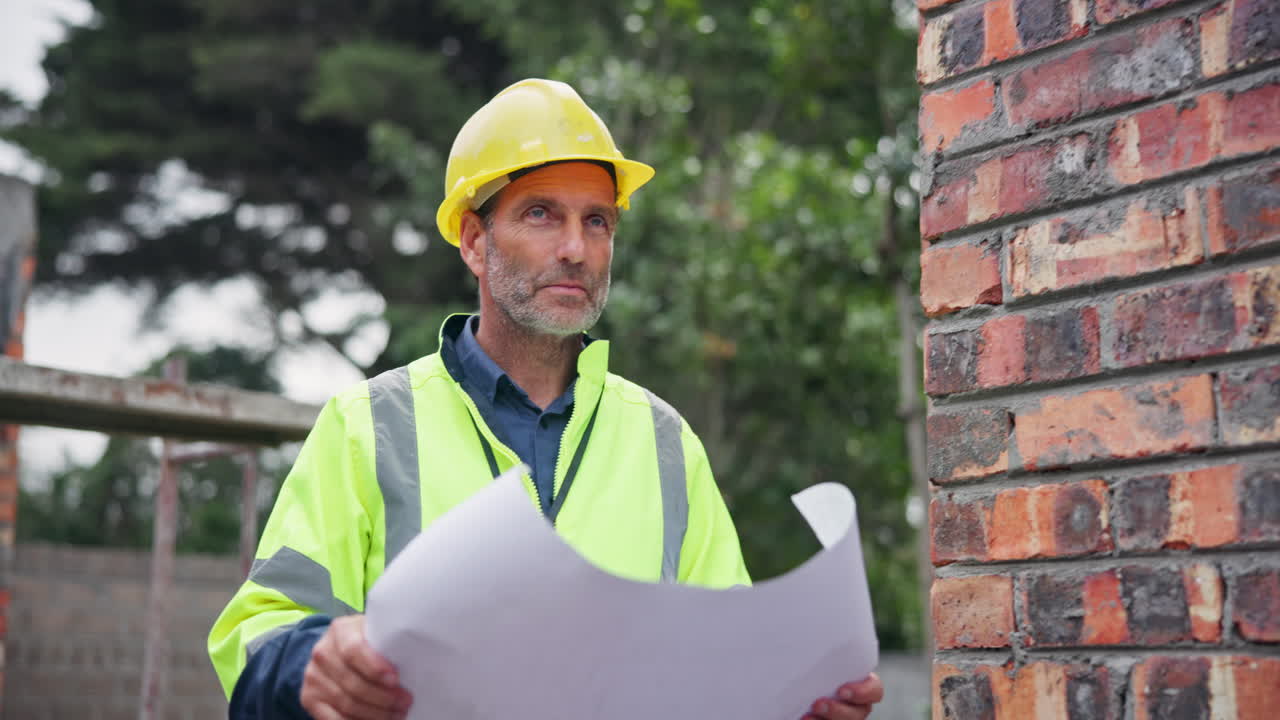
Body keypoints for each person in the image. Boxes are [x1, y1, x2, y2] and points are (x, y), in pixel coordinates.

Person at [208, 78, 884, 720]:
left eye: (597, 222)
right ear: (475, 241)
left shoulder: (667, 444)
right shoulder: (366, 426)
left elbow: (728, 673)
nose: (576, 249)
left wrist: (794, 700)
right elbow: (256, 638)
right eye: (541, 214)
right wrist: (312, 664)